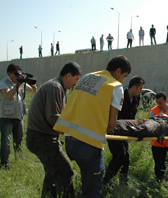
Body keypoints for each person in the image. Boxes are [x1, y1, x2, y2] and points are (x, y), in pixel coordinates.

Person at [53, 55, 131, 197]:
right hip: (88, 145)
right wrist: (103, 129)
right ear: (118, 71)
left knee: (86, 177)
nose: (122, 80)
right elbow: (112, 124)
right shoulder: (115, 86)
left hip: (70, 141)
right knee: (92, 190)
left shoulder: (87, 78)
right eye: (124, 76)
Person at [26, 62, 81, 198]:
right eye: (76, 79)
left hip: (44, 137)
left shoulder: (62, 89)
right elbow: (54, 118)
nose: (76, 83)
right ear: (68, 75)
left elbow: (64, 115)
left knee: (52, 174)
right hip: (41, 138)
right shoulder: (54, 87)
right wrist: (73, 132)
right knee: (66, 172)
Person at [104, 76, 145, 186]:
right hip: (114, 129)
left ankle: (123, 180)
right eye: (140, 89)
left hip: (126, 130)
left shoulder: (137, 98)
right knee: (119, 155)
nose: (141, 91)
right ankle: (106, 181)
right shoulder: (120, 95)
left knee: (126, 157)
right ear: (134, 87)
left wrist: (136, 130)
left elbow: (133, 117)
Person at [0, 64, 37, 169]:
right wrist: (18, 84)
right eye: (15, 74)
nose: (17, 76)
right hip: (6, 116)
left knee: (19, 139)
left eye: (19, 73)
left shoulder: (21, 83)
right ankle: (5, 163)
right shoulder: (3, 83)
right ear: (9, 74)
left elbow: (33, 91)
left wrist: (32, 83)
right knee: (6, 140)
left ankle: (19, 160)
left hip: (18, 115)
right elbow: (9, 96)